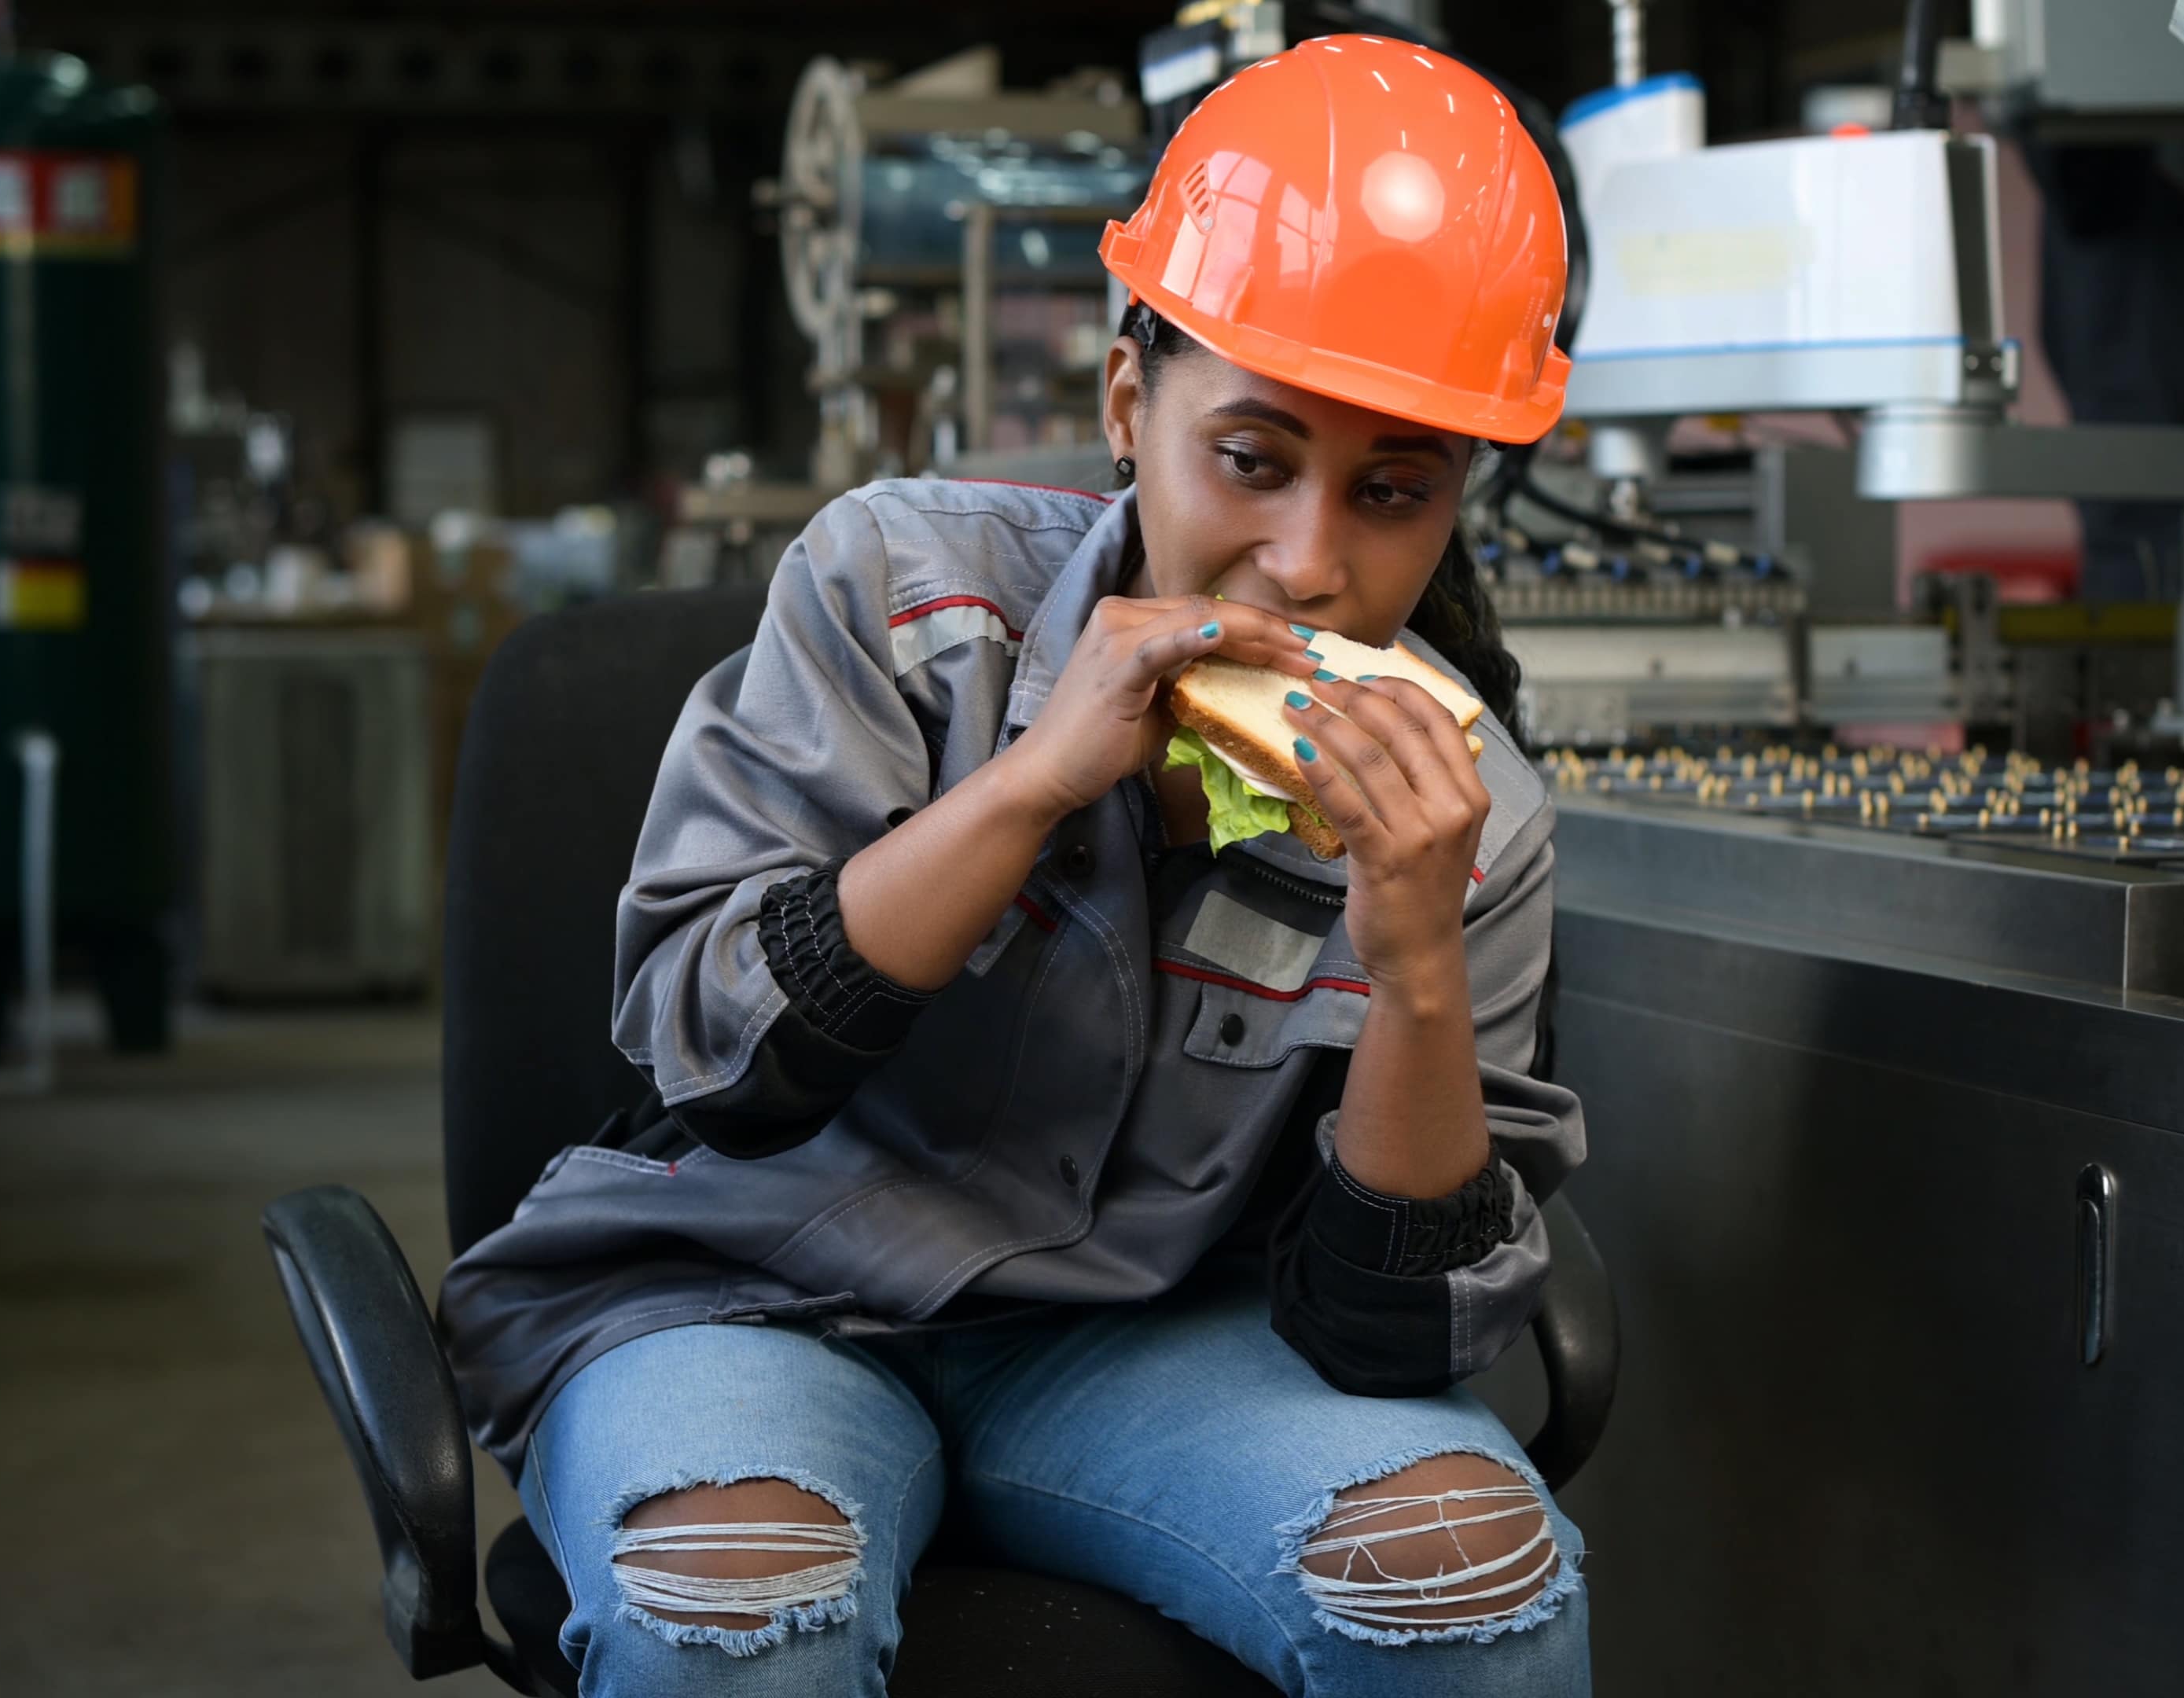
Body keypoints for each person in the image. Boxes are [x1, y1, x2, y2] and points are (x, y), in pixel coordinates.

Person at [439, 33, 1587, 1697]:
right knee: (734, 1614)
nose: (1311, 564)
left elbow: (1387, 1337)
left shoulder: (1472, 816)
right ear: (1132, 404)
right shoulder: (902, 597)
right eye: (1251, 460)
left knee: (1472, 1599)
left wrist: (1410, 952)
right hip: (747, 1295)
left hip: (1149, 1349)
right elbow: (716, 1054)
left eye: (1393, 492)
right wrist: (1034, 783)